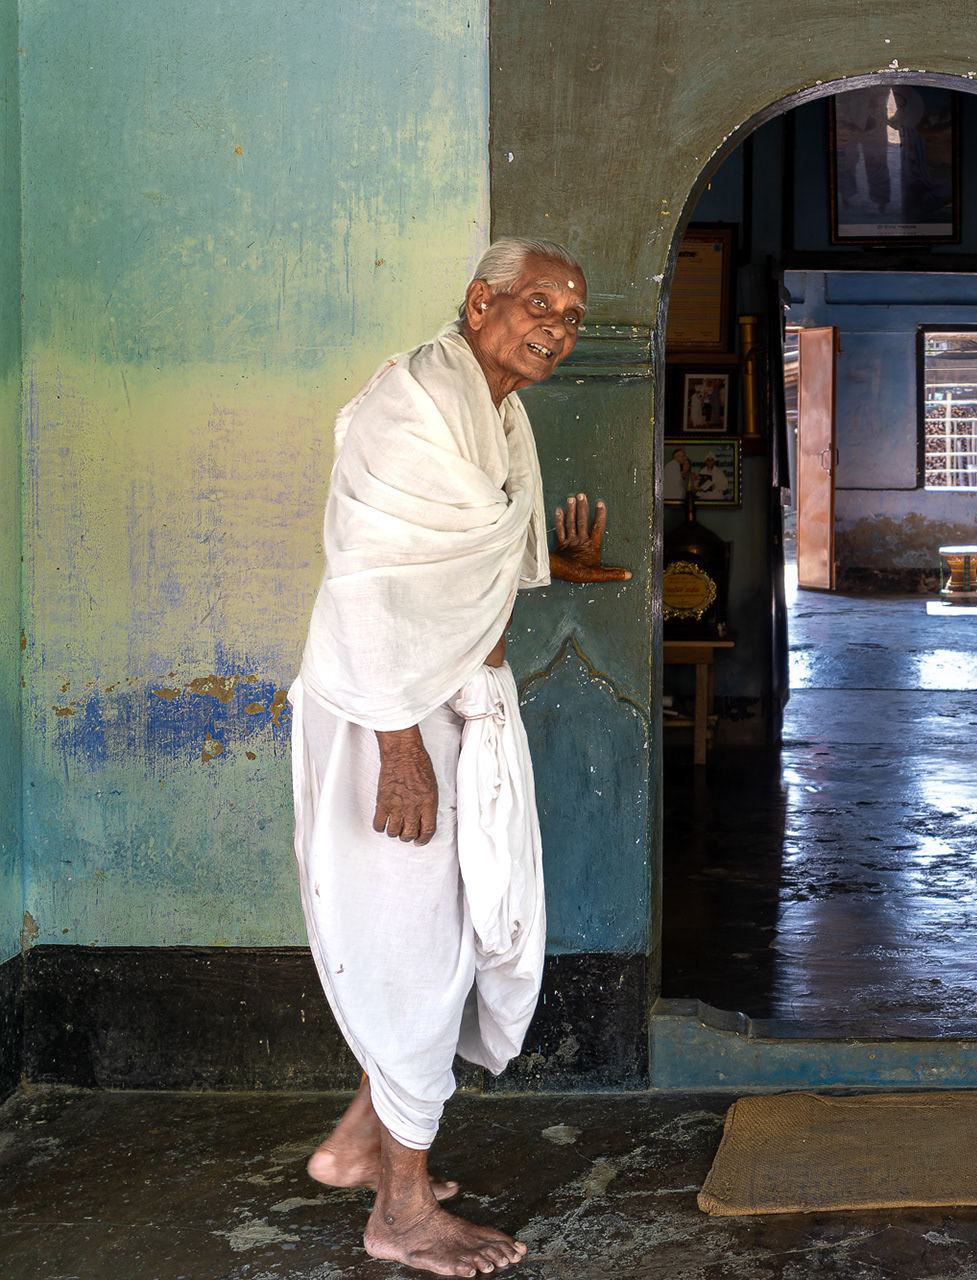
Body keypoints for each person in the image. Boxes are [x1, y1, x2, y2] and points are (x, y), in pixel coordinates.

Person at [290, 237, 629, 1276]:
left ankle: (359, 1140)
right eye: (539, 305)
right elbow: (367, 583)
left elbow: (460, 562)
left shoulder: (500, 415)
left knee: (468, 924)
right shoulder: (410, 406)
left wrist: (553, 559)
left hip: (457, 704)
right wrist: (399, 745)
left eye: (571, 316)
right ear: (481, 299)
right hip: (387, 712)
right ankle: (398, 1209)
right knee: (410, 943)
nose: (557, 330)